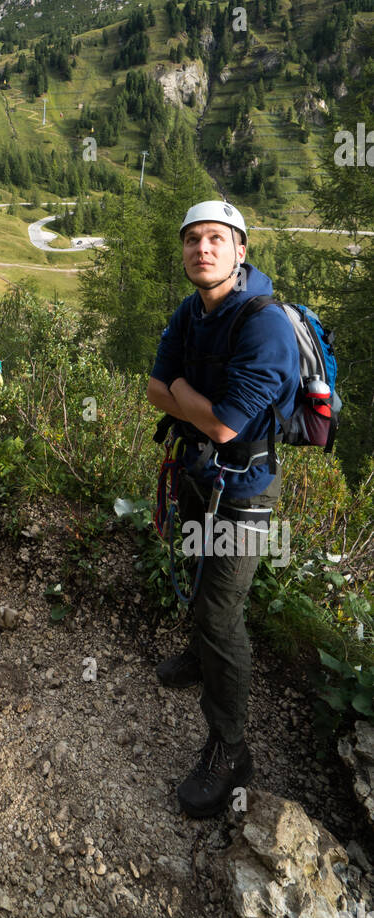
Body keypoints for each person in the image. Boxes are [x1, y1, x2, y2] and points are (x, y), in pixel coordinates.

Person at [146, 200, 298, 818]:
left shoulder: (264, 325)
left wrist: (183, 392)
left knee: (219, 610)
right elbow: (152, 387)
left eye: (216, 239)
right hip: (196, 474)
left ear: (240, 251)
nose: (202, 250)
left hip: (245, 488)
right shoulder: (190, 312)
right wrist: (186, 401)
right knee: (198, 569)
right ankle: (200, 655)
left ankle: (231, 750)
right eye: (192, 241)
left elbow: (229, 426)